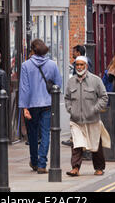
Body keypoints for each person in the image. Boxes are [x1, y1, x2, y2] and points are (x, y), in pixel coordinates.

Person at [18, 39, 62, 174]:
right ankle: (42, 163)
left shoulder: (26, 65)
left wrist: (24, 107)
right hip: (47, 104)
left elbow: (24, 88)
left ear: (32, 50)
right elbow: (58, 84)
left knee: (32, 135)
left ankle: (35, 162)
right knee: (45, 134)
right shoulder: (52, 65)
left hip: (31, 105)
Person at [64, 56, 110, 177]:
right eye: (77, 65)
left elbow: (104, 97)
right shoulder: (71, 81)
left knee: (95, 145)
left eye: (81, 65)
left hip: (92, 119)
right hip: (76, 120)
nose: (79, 67)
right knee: (76, 144)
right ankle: (75, 168)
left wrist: (95, 109)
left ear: (86, 66)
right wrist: (70, 109)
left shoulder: (96, 80)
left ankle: (99, 167)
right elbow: (67, 98)